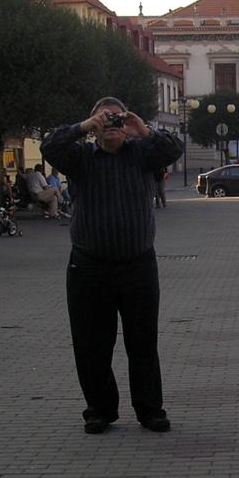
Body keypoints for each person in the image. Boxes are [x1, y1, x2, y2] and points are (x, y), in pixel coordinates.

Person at [41, 96, 183, 435]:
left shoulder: (142, 154)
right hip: (89, 266)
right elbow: (50, 146)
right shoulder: (80, 158)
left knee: (143, 342)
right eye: (104, 120)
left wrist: (144, 130)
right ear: (94, 127)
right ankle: (99, 410)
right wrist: (82, 128)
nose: (112, 126)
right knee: (91, 344)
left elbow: (174, 149)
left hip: (138, 264)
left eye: (118, 119)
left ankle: (150, 410)